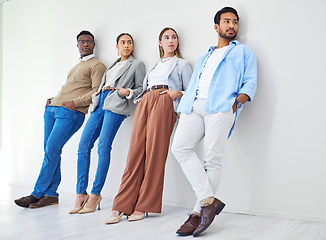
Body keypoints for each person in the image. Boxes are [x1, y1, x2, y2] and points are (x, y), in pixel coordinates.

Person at [171, 7, 257, 237]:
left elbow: (250, 81)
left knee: (212, 158)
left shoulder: (243, 52)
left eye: (235, 22)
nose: (232, 25)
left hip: (221, 106)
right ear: (217, 26)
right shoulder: (204, 57)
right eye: (227, 21)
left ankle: (196, 213)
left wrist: (238, 100)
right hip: (193, 106)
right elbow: (195, 83)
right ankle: (208, 203)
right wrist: (184, 98)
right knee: (180, 147)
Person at [105, 27, 192, 224]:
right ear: (160, 43)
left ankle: (143, 206)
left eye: (174, 37)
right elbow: (143, 88)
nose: (171, 40)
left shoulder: (183, 64)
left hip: (164, 101)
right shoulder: (154, 65)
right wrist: (137, 98)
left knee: (154, 154)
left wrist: (176, 93)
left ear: (177, 42)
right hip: (145, 102)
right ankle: (122, 205)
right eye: (166, 37)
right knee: (134, 153)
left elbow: (189, 91)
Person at [14, 30, 106, 208]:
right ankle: (51, 194)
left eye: (89, 42)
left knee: (51, 150)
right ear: (77, 45)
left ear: (93, 45)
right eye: (82, 42)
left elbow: (96, 92)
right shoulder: (76, 66)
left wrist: (74, 103)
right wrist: (54, 99)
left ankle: (36, 193)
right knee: (50, 151)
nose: (85, 44)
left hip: (71, 113)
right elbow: (70, 87)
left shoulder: (97, 65)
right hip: (53, 110)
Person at [70, 33, 145, 214]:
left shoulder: (136, 64)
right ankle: (81, 193)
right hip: (99, 102)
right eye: (122, 42)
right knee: (83, 145)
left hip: (116, 103)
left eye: (129, 43)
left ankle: (95, 194)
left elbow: (141, 89)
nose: (126, 45)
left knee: (103, 147)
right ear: (117, 46)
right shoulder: (112, 65)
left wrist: (125, 92)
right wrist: (97, 96)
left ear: (132, 46)